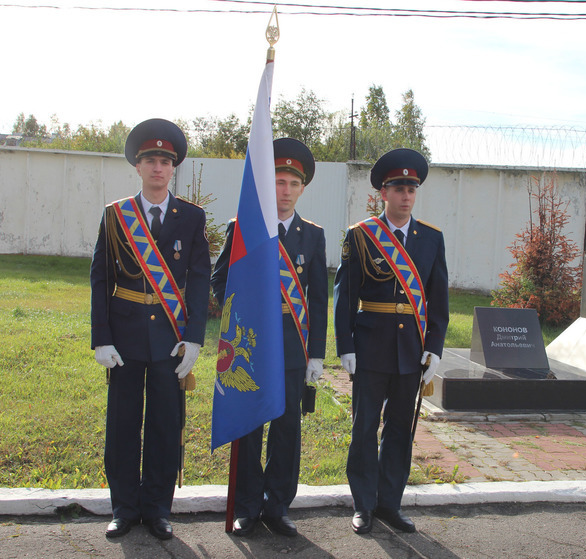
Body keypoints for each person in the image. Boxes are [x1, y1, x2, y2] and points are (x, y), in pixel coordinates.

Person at [90, 118, 211, 540]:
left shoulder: (191, 218)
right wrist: (101, 337)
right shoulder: (116, 215)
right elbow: (101, 278)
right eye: (150, 161)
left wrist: (195, 336)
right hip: (123, 337)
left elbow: (199, 278)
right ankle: (123, 508)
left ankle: (159, 508)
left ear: (173, 168)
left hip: (170, 340)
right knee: (123, 424)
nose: (158, 168)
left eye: (165, 161)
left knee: (164, 423)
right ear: (137, 167)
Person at [211, 137, 328, 538]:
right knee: (249, 426)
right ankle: (246, 505)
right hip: (251, 344)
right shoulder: (243, 228)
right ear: (268, 184)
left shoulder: (312, 236)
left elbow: (319, 298)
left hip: (293, 346)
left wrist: (317, 355)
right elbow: (218, 279)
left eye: (293, 184)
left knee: (286, 428)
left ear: (302, 188)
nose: (286, 190)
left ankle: (277, 506)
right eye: (279, 181)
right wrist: (236, 316)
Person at [334, 148, 449, 535]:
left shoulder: (431, 239)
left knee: (401, 428)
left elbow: (439, 301)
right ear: (383, 192)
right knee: (365, 428)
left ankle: (389, 504)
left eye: (411, 188)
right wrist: (345, 346)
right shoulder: (361, 236)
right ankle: (363, 505)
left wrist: (434, 346)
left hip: (411, 353)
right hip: (370, 348)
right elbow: (345, 296)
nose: (405, 195)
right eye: (398, 188)